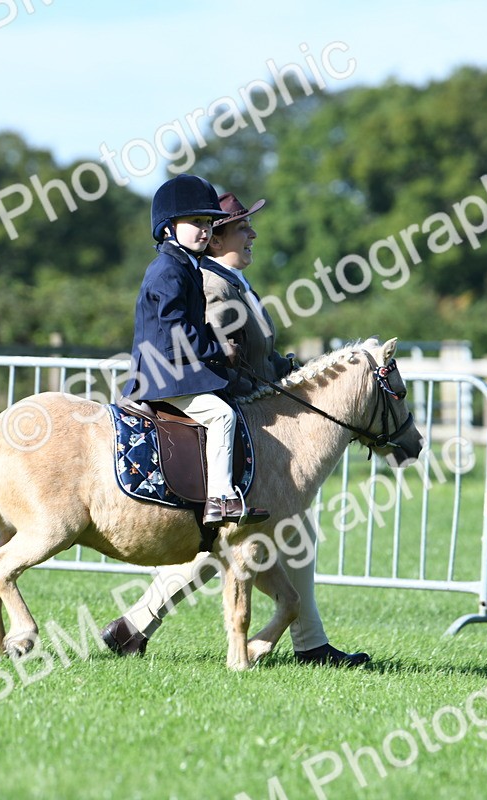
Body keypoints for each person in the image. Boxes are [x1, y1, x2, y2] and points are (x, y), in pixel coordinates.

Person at [103, 191, 372, 668]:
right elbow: (211, 355)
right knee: (229, 534)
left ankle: (308, 642)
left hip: (255, 413)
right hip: (223, 414)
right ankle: (138, 623)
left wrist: (289, 371)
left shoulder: (235, 282)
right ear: (218, 236)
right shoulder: (210, 285)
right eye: (243, 227)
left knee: (285, 533)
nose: (252, 234)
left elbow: (256, 354)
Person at [122, 173, 270, 528]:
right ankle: (220, 498)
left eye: (207, 222)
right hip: (163, 374)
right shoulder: (167, 270)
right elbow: (176, 331)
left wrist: (219, 353)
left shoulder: (185, 265)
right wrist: (214, 348)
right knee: (221, 415)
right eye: (196, 223)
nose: (205, 230)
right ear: (168, 228)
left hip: (178, 368)